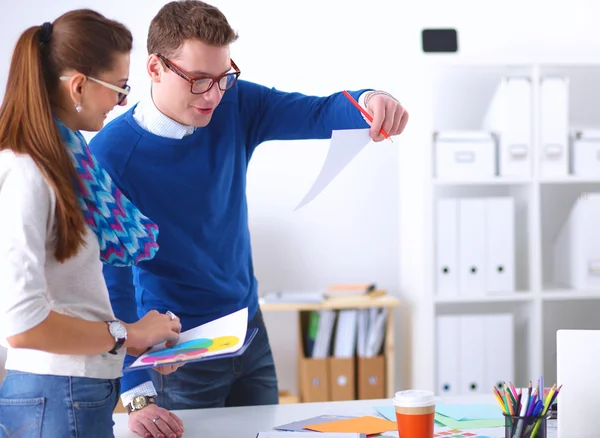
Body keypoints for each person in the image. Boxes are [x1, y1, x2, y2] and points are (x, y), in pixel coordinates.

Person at [89, 1, 408, 437]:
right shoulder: (111, 155)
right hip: (178, 352)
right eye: (199, 80)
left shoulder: (231, 103)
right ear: (155, 68)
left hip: (248, 333)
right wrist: (138, 395)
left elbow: (316, 112)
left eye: (223, 77)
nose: (213, 95)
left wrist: (372, 101)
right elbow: (113, 285)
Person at [0, 9, 185, 438]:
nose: (122, 103)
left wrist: (139, 341)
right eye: (119, 89)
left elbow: (70, 296)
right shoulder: (28, 172)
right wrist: (128, 334)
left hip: (75, 388)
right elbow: (23, 324)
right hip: (58, 390)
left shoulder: (66, 164)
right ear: (79, 85)